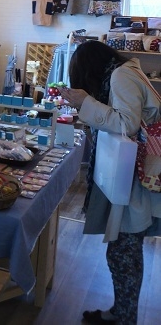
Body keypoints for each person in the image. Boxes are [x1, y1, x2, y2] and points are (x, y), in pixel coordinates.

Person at [58, 40, 160, 325]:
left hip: (138, 176)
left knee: (124, 252)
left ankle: (125, 318)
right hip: (137, 173)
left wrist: (86, 103)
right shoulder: (124, 72)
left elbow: (127, 124)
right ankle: (120, 312)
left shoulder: (121, 76)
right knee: (123, 250)